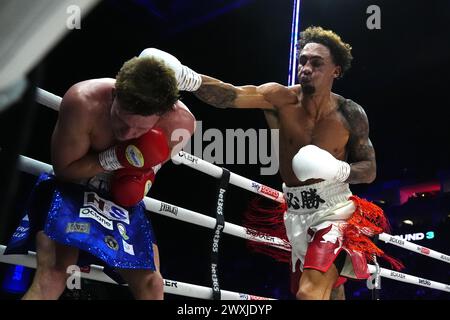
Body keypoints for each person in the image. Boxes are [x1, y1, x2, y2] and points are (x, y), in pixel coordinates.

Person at [139, 26, 402, 300]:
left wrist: (338, 169)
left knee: (309, 294)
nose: (306, 68)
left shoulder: (350, 113)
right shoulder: (280, 99)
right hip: (295, 214)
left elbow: (369, 169)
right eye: (303, 60)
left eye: (316, 62)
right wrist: (188, 78)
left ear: (336, 70)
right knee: (330, 291)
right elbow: (231, 96)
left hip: (336, 210)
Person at [6, 54, 196, 299]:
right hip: (70, 187)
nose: (128, 133)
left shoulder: (179, 124)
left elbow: (145, 176)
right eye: (121, 119)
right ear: (115, 94)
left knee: (152, 285)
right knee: (54, 274)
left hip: (119, 199)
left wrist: (140, 177)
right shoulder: (83, 101)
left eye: (140, 129)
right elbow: (65, 169)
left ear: (160, 116)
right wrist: (116, 157)